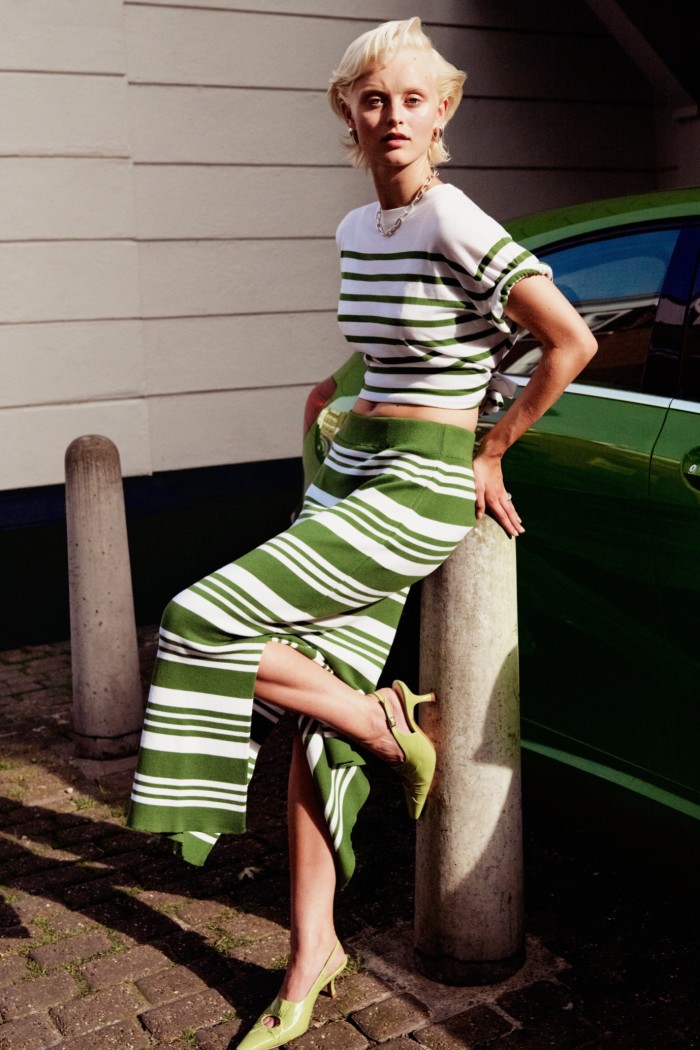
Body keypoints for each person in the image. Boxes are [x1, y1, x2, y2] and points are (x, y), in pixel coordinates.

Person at [127, 17, 597, 1050]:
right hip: (343, 475)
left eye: (413, 99)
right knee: (306, 727)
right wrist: (329, 406)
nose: (392, 116)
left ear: (444, 113)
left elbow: (568, 338)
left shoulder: (452, 216)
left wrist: (489, 449)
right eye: (372, 98)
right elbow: (386, 353)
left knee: (196, 619)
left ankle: (386, 728)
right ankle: (312, 955)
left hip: (417, 488)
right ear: (348, 111)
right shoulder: (356, 229)